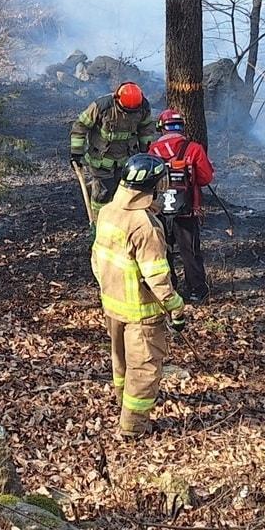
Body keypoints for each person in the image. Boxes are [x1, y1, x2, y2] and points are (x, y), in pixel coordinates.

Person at [91, 152, 185, 439]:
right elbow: (157, 276)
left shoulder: (107, 211)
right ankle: (133, 427)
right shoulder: (145, 226)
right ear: (153, 187)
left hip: (112, 305)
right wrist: (176, 307)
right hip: (141, 313)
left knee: (120, 360)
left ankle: (122, 403)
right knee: (143, 369)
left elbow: (97, 260)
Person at [148, 107, 215, 302]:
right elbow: (205, 178)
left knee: (162, 250)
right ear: (182, 127)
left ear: (161, 128)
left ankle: (170, 288)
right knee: (190, 251)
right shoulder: (194, 148)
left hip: (159, 210)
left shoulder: (153, 150)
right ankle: (196, 290)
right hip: (186, 211)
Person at [69, 81, 153, 227]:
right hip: (101, 160)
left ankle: (122, 224)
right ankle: (98, 224)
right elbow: (80, 126)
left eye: (133, 112)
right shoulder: (102, 106)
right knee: (102, 195)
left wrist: (145, 151)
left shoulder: (143, 107)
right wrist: (76, 153)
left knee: (125, 194)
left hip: (128, 160)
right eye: (126, 110)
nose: (129, 114)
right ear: (117, 99)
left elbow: (145, 128)